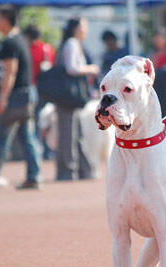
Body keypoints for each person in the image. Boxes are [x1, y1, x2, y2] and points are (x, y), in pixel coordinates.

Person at [0, 5, 40, 190]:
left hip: (15, 97)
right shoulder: (20, 40)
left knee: (3, 137)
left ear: (5, 20)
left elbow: (10, 72)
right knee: (27, 138)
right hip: (26, 95)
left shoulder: (9, 43)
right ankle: (34, 176)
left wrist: (3, 98)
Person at [55, 17, 99, 181]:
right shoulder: (72, 43)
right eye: (84, 26)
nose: (86, 30)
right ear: (76, 28)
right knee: (69, 134)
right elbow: (72, 68)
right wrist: (90, 68)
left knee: (75, 133)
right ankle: (68, 171)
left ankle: (82, 170)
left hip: (70, 97)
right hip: (68, 96)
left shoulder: (72, 43)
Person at [24, 24, 56, 160]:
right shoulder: (47, 48)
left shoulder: (29, 49)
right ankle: (48, 150)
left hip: (34, 88)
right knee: (48, 121)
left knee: (37, 121)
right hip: (49, 90)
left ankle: (39, 150)